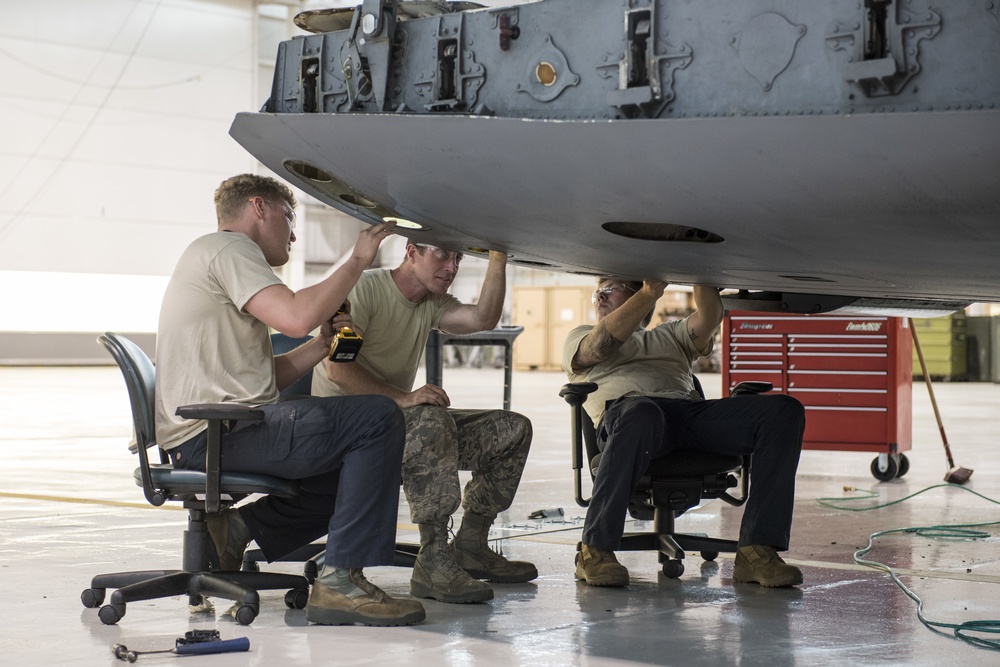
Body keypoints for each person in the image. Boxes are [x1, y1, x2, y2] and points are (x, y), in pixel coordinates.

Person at [154, 173, 424, 626]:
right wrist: (358, 259)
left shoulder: (216, 259)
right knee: (377, 418)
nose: (294, 233)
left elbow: (264, 377)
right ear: (259, 208)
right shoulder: (230, 248)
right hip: (214, 435)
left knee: (346, 466)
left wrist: (322, 344)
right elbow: (296, 316)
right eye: (289, 217)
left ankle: (240, 527)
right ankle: (339, 584)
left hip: (219, 429)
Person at [312, 243, 536, 604]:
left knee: (510, 430)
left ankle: (471, 546)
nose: (452, 266)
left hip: (393, 423)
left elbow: (482, 319)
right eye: (443, 255)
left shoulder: (433, 301)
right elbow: (338, 369)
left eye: (458, 258)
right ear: (412, 252)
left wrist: (498, 256)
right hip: (344, 428)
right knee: (431, 420)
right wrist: (402, 397)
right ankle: (432, 559)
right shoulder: (364, 290)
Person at [562, 278, 805, 588]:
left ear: (636, 293)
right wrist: (651, 291)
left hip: (687, 415)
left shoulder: (672, 335)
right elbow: (598, 346)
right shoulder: (580, 336)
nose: (599, 296)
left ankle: (756, 549)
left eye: (611, 287)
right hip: (630, 419)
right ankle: (594, 549)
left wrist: (697, 270)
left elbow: (709, 316)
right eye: (598, 291)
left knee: (783, 411)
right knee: (643, 411)